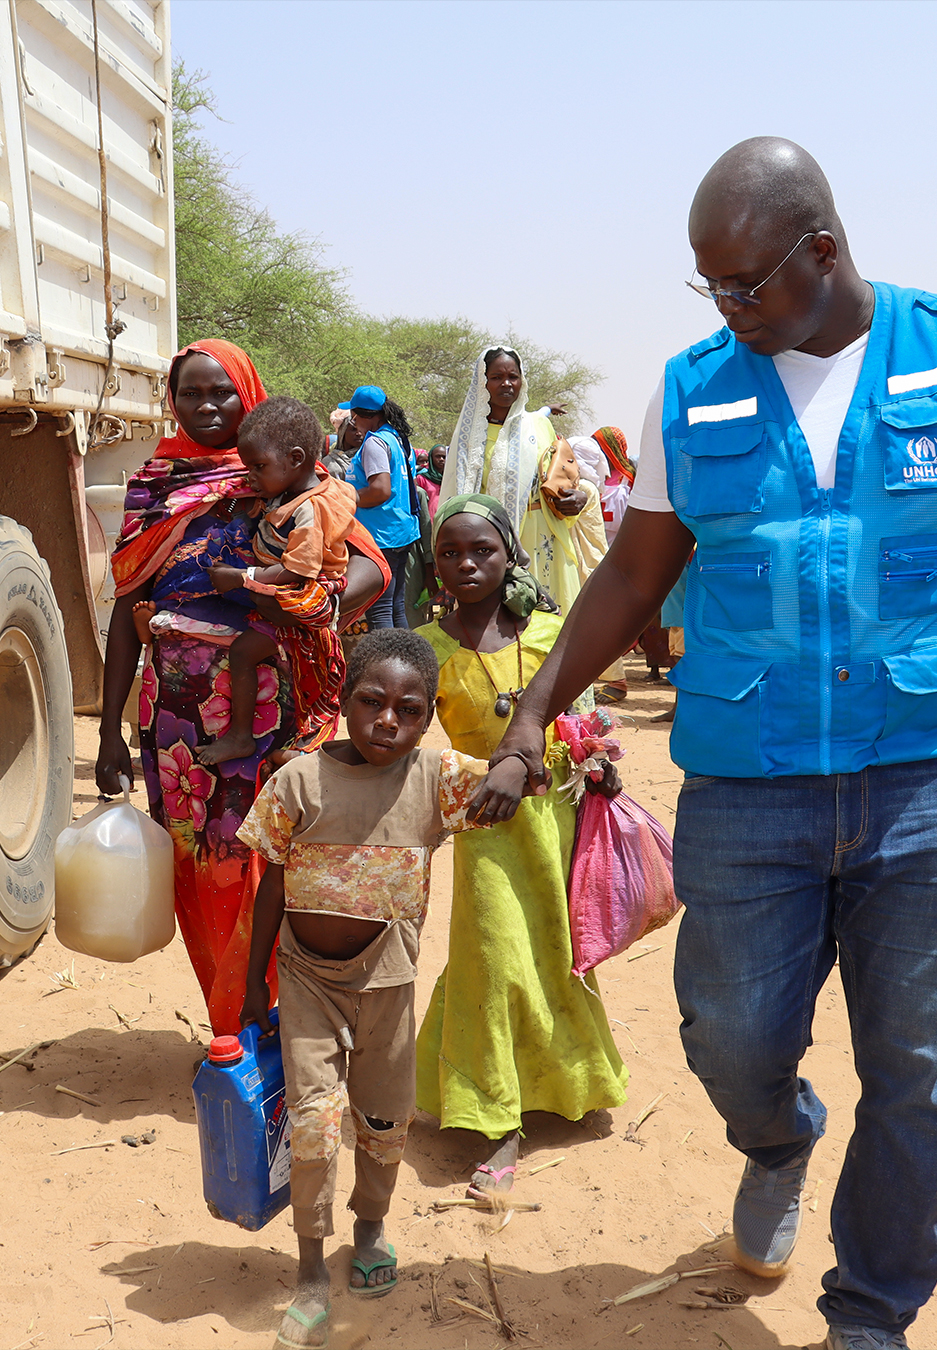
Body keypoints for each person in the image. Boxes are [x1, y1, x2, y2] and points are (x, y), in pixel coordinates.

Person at [464, 138, 937, 1350]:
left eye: (746, 283)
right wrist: (531, 711)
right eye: (708, 285)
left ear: (823, 251)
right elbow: (633, 575)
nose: (726, 307)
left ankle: (870, 1315)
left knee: (920, 1073)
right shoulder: (692, 387)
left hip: (931, 779)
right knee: (727, 1035)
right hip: (750, 783)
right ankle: (777, 1138)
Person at [97, 340, 388, 1037]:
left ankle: (295, 1027)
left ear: (248, 393)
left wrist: (305, 616)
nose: (204, 406)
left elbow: (371, 570)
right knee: (206, 869)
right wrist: (108, 731)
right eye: (190, 392)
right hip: (176, 719)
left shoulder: (291, 477)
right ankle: (235, 1030)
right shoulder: (156, 488)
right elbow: (124, 609)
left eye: (220, 391)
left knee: (277, 862)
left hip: (271, 706)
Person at [238, 629, 489, 1345]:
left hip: (389, 984)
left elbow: (519, 778)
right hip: (306, 982)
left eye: (410, 711)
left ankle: (371, 1227)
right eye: (372, 702)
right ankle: (311, 1269)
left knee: (383, 1119)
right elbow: (271, 886)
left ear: (428, 718)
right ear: (344, 701)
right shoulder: (298, 782)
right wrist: (255, 985)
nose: (388, 722)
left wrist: (573, 763)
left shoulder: (437, 779)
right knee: (314, 1126)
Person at [413, 494, 627, 1198]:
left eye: (482, 550)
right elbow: (402, 735)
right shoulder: (429, 649)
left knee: (558, 953)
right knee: (495, 957)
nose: (466, 564)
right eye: (450, 553)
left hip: (557, 820)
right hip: (486, 827)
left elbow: (586, 721)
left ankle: (568, 1083)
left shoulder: (552, 633)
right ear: (434, 566)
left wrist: (599, 762)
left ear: (510, 554)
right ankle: (497, 1119)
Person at [132, 396, 357, 768]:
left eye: (258, 467)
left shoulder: (309, 511)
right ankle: (163, 620)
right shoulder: (298, 490)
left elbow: (297, 572)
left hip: (295, 604)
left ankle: (239, 737)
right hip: (276, 592)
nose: (250, 477)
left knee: (242, 652)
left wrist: (241, 578)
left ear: (296, 459)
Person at [441, 347, 598, 611]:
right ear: (482, 382)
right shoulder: (471, 437)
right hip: (495, 543)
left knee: (552, 620)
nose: (506, 384)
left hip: (546, 535)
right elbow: (458, 498)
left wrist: (577, 496)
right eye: (496, 377)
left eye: (513, 376)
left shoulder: (539, 425)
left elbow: (558, 477)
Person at [343, 385, 420, 629]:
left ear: (362, 415)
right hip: (400, 531)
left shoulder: (374, 443)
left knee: (380, 609)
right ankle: (405, 652)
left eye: (353, 417)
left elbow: (380, 490)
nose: (354, 423)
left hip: (380, 536)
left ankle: (385, 654)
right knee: (396, 606)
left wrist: (345, 497)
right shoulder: (397, 438)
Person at [416, 443, 446, 517]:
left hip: (446, 519)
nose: (441, 459)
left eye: (444, 457)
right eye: (438, 456)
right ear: (431, 458)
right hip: (429, 520)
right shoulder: (422, 478)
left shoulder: (450, 479)